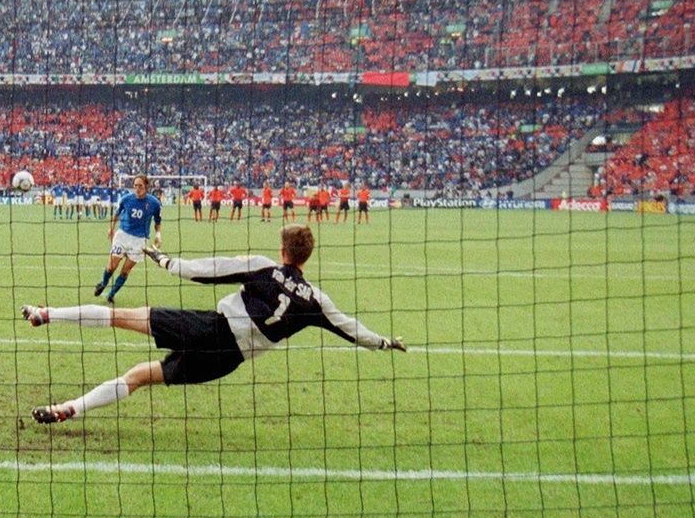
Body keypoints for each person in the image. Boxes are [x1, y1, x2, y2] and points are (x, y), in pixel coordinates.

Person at [21, 224, 406, 423]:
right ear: (307, 256)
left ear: (283, 250)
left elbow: (209, 271)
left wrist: (168, 262)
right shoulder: (316, 301)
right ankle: (68, 409)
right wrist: (385, 343)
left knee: (124, 317)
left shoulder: (263, 266)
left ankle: (46, 314)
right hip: (226, 360)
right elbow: (350, 328)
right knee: (139, 376)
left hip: (212, 328)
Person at [92, 174, 163, 304]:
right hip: (122, 236)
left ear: (147, 186)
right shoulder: (126, 199)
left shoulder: (154, 203)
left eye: (140, 186)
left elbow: (157, 221)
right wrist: (111, 228)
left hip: (139, 241)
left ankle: (111, 294)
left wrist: (158, 234)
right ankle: (103, 283)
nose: (137, 188)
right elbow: (117, 213)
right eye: (135, 186)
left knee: (125, 271)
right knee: (112, 266)